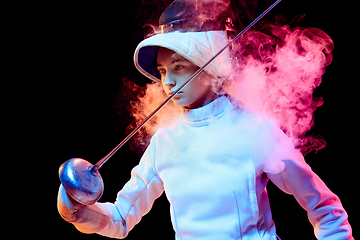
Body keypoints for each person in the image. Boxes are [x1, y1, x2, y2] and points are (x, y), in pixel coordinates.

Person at [57, 0, 353, 239]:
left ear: (210, 66)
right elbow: (120, 219)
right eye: (162, 71)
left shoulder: (256, 131)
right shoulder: (165, 142)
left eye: (179, 66)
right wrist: (78, 211)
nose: (168, 82)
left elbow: (326, 209)